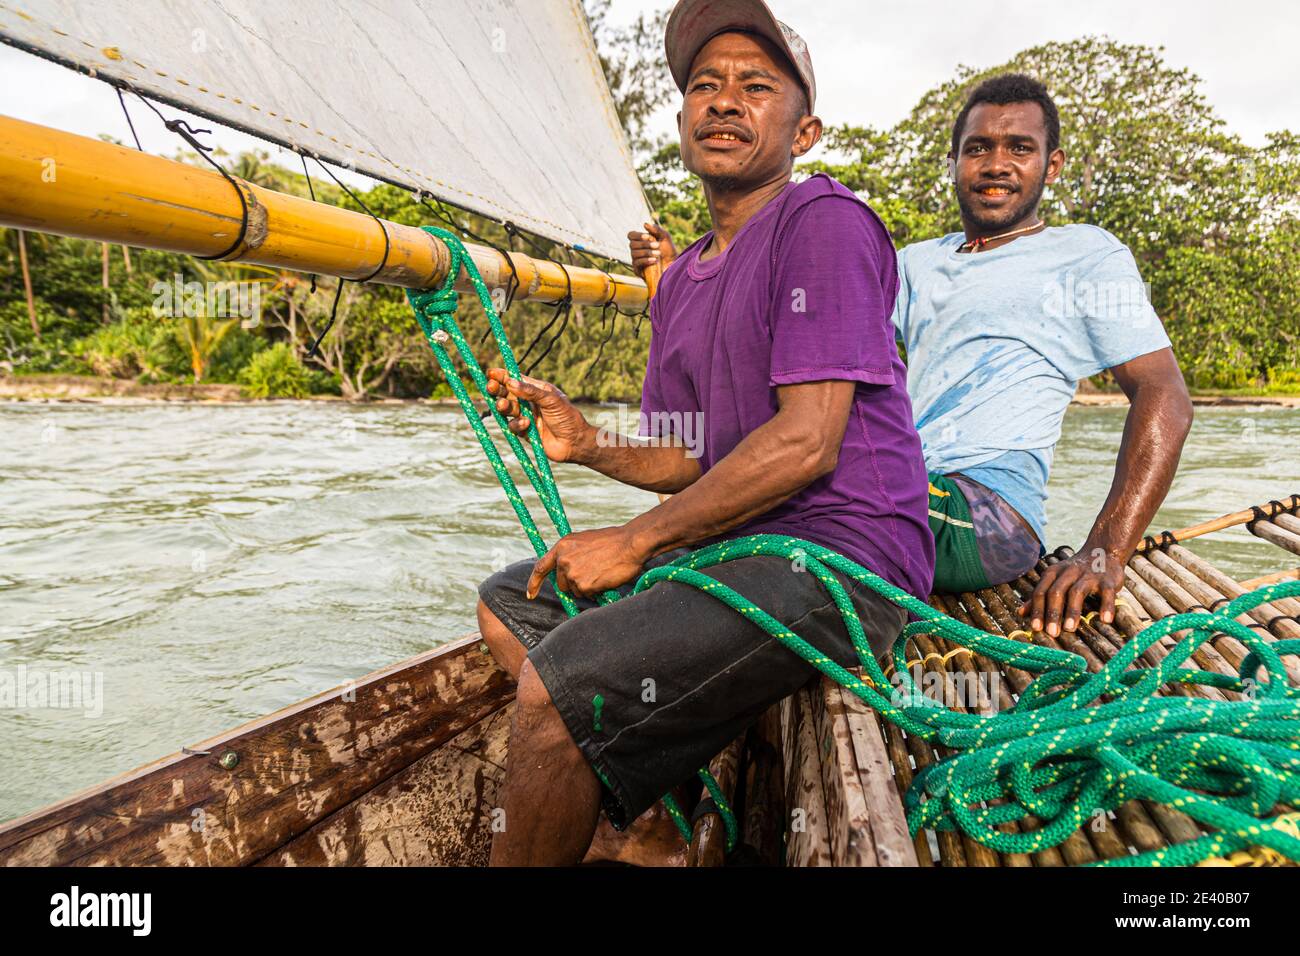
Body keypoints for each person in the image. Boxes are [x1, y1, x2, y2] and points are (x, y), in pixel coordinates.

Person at [474, 0, 933, 866]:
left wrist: (637, 541)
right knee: (510, 604)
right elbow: (694, 457)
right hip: (744, 540)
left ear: (805, 133)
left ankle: (611, 781)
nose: (724, 101)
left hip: (844, 554)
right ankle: (643, 824)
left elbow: (807, 443)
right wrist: (590, 443)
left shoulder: (824, 224)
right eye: (705, 85)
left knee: (558, 684)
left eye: (756, 88)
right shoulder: (681, 278)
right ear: (683, 116)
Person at [632, 73, 1194, 639]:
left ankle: (650, 557)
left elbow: (1164, 395)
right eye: (977, 149)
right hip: (909, 481)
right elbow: (798, 336)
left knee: (792, 481)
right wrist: (686, 280)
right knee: (768, 466)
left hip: (986, 511)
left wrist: (1104, 550)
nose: (996, 164)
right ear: (953, 163)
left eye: (1019, 149)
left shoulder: (1086, 254)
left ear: (1052, 166)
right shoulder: (916, 262)